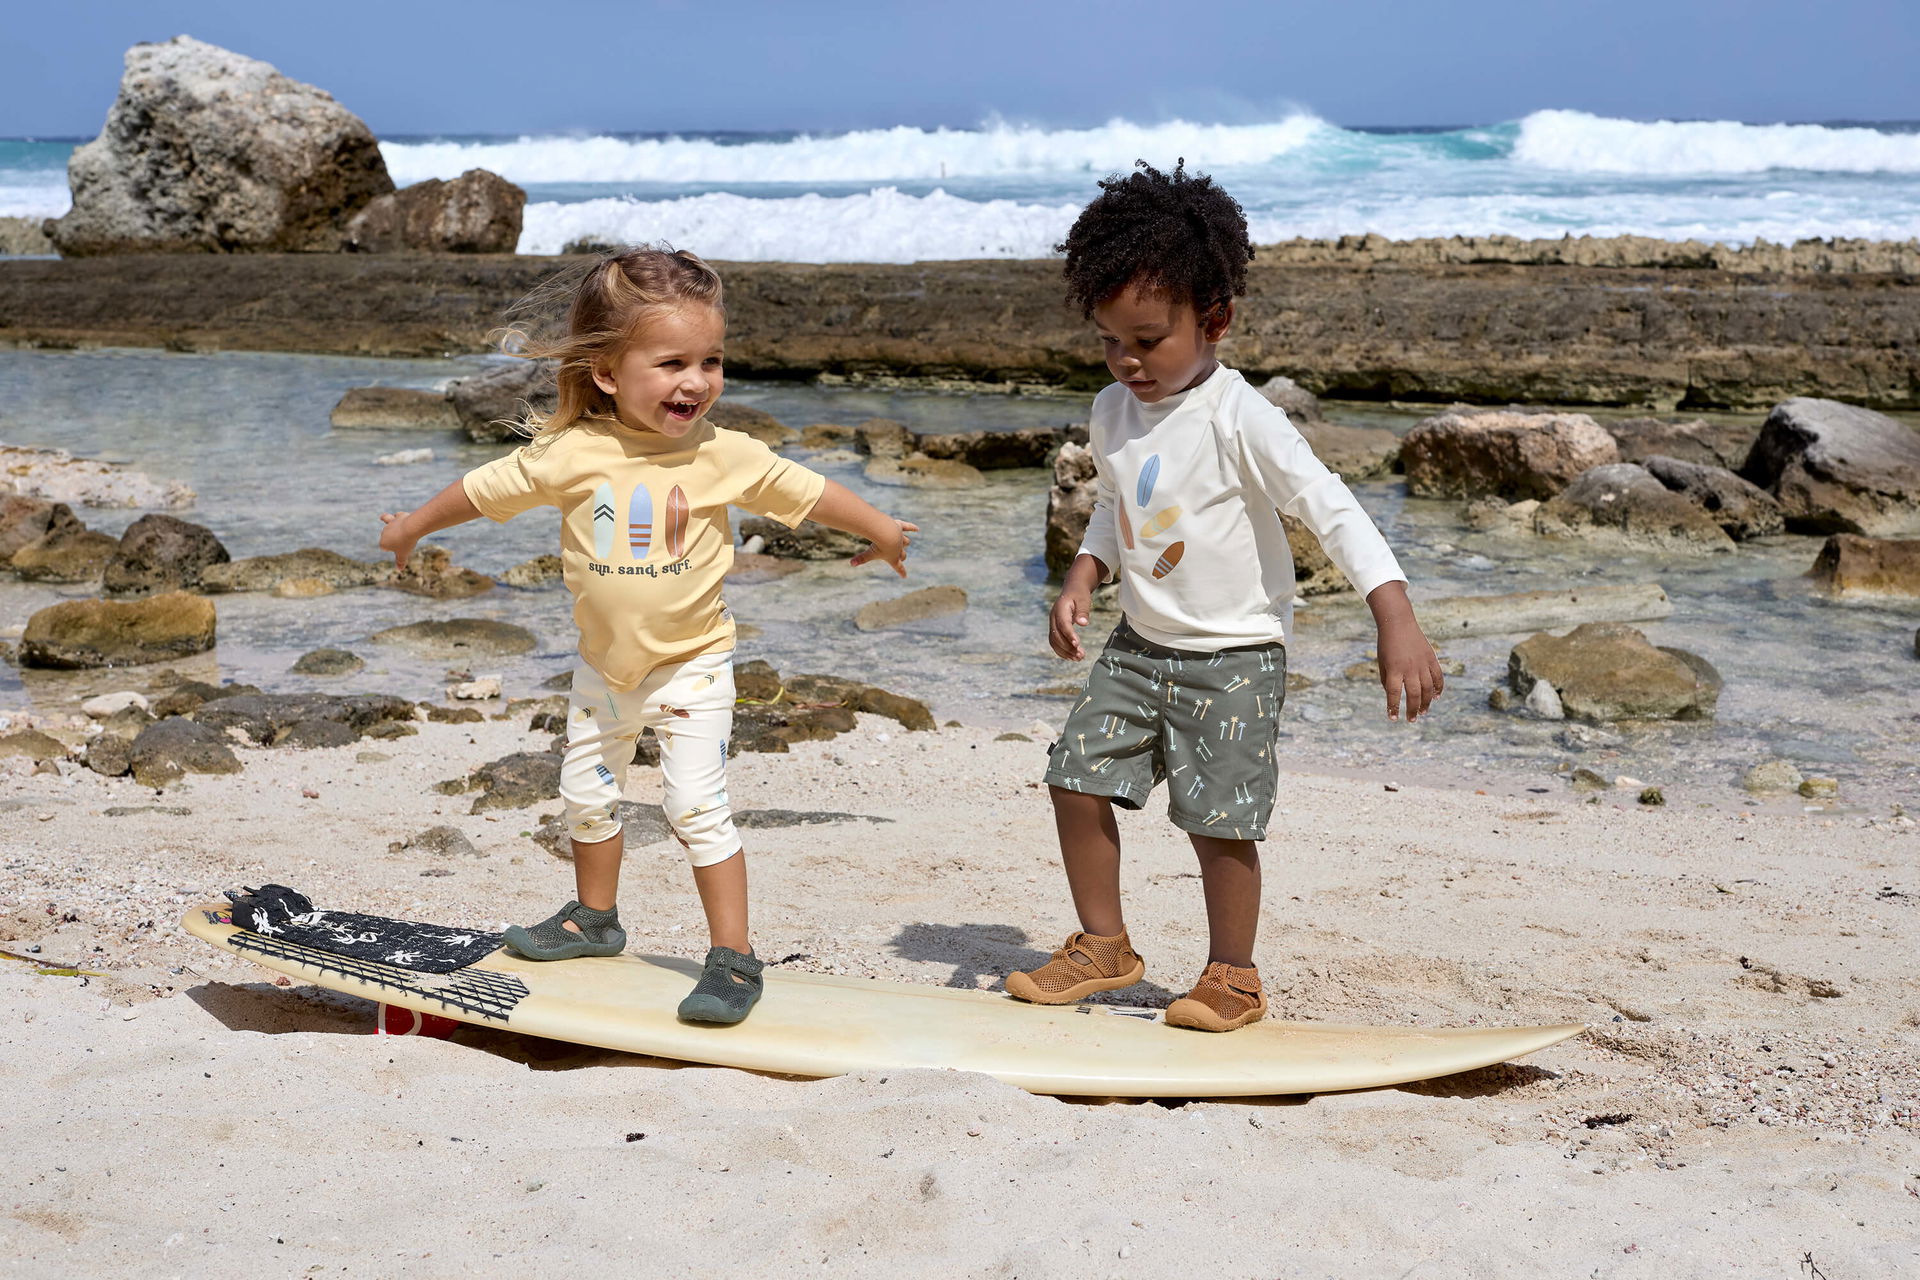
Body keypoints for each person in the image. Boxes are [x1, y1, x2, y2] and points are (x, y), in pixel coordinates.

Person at [377, 246, 916, 1025]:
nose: (696, 381)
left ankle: (733, 958)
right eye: (671, 362)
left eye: (711, 361)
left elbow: (808, 492)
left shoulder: (722, 454)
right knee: (584, 801)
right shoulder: (570, 454)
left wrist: (880, 530)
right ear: (606, 371)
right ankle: (594, 919)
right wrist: (411, 530)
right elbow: (479, 490)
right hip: (604, 670)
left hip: (695, 664)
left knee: (696, 807)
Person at [1006, 162, 1445, 1031]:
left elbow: (1332, 506)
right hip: (1139, 644)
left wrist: (1393, 613)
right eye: (1108, 340)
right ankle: (1104, 945)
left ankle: (1233, 976)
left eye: (1149, 339)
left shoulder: (1242, 417)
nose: (1126, 360)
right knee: (1074, 782)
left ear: (1215, 322)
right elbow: (1115, 504)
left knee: (1218, 821)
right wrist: (1085, 571)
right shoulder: (1112, 409)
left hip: (1237, 655)